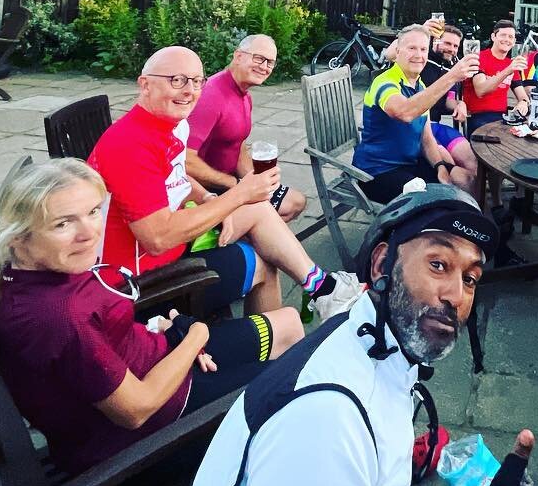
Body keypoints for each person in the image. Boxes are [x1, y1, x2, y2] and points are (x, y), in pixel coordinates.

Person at [183, 183, 538, 486]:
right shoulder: (328, 426)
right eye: (438, 264)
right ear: (379, 265)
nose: (456, 296)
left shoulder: (379, 349)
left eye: (470, 278)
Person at [0, 159, 302, 476]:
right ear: (18, 237)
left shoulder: (29, 276)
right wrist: (195, 337)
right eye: (63, 223)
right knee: (302, 387)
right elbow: (137, 409)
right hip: (155, 432)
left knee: (288, 323)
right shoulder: (58, 317)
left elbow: (102, 336)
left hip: (157, 355)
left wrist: (159, 327)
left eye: (92, 212)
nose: (89, 233)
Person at [88, 46, 361, 320]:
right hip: (136, 283)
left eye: (196, 81)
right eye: (177, 80)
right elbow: (158, 238)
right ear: (145, 84)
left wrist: (210, 199)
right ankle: (289, 326)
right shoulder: (130, 144)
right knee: (265, 260)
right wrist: (238, 194)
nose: (190, 91)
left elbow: (178, 177)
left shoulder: (173, 124)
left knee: (260, 211)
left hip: (172, 245)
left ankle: (322, 290)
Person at [183, 34, 307, 225]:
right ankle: (244, 244)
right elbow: (185, 160)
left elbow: (237, 144)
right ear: (238, 56)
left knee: (296, 202)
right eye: (259, 58)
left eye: (270, 62)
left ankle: (254, 240)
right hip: (208, 190)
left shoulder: (244, 96)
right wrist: (235, 184)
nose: (264, 67)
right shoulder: (211, 97)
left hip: (232, 183)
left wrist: (256, 180)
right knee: (281, 211)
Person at [352, 25, 482, 202]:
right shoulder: (384, 82)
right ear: (397, 52)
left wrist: (440, 167)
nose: (418, 55)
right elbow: (404, 112)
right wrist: (452, 76)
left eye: (423, 49)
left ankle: (478, 223)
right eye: (411, 48)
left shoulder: (420, 86)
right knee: (434, 198)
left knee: (465, 178)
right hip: (376, 172)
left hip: (410, 165)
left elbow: (427, 138)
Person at [461, 19, 527, 134]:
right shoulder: (479, 58)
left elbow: (523, 96)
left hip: (502, 117)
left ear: (514, 41)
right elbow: (481, 90)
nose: (507, 39)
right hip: (478, 117)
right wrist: (507, 71)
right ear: (493, 37)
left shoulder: (510, 64)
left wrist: (523, 102)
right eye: (503, 35)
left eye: (511, 37)